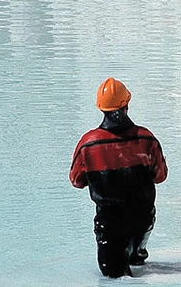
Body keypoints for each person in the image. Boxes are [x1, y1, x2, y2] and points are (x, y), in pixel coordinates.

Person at [70, 78, 168, 278]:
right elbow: (160, 176)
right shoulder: (146, 139)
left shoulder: (88, 145)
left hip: (110, 223)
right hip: (143, 217)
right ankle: (136, 256)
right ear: (127, 105)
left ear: (100, 108)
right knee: (137, 265)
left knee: (113, 277)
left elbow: (77, 181)